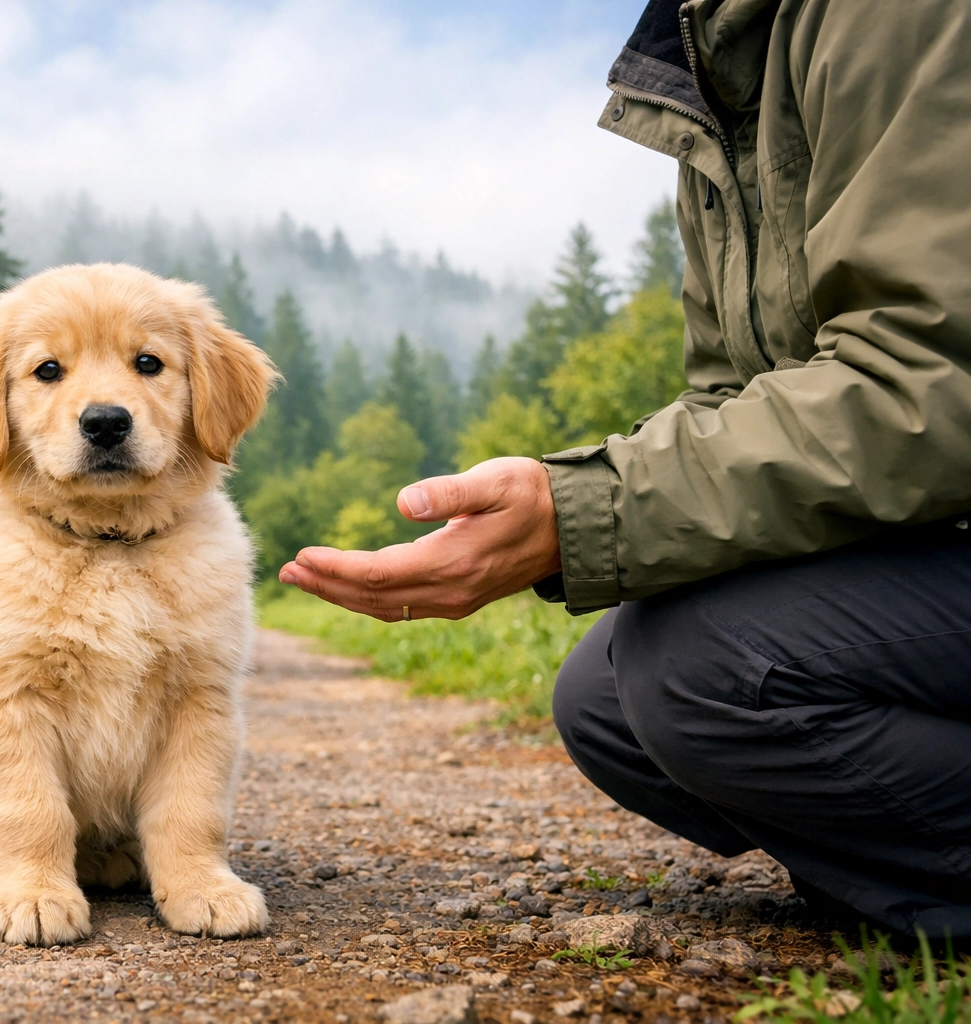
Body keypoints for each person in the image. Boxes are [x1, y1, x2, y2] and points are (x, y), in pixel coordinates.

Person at [278, 0, 971, 940]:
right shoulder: (712, 63)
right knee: (605, 701)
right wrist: (560, 508)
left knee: (704, 673)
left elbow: (931, 381)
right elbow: (734, 396)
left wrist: (580, 512)